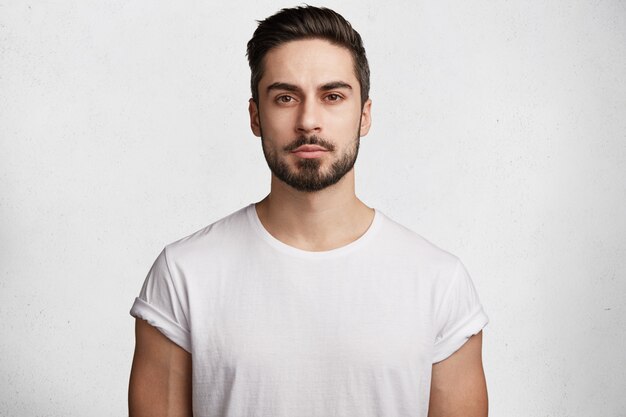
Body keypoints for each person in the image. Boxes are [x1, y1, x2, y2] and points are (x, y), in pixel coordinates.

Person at [128, 5, 489, 417]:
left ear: (364, 115)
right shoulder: (183, 274)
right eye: (285, 97)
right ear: (255, 116)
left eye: (332, 96)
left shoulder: (439, 282)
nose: (308, 120)